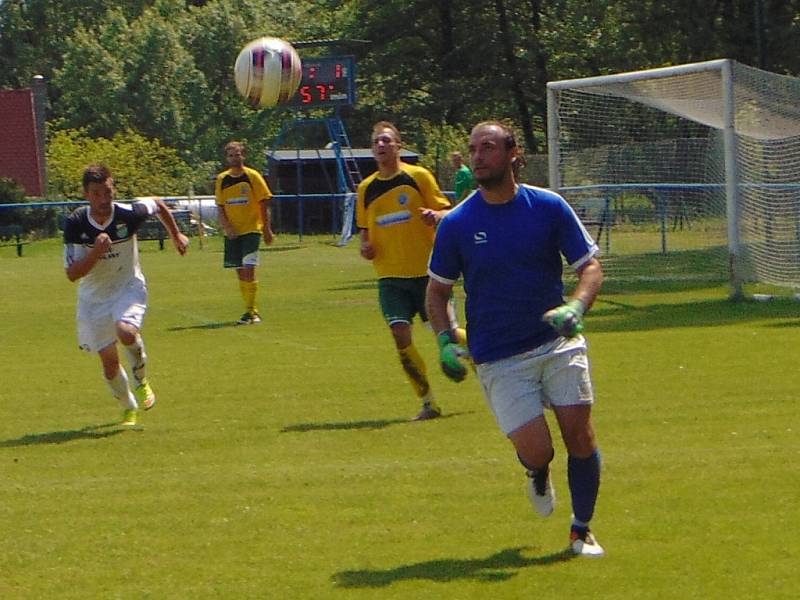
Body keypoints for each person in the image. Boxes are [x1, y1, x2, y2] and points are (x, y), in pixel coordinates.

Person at [426, 121, 606, 556]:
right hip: (499, 357)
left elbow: (590, 268)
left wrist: (575, 308)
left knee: (579, 436)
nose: (477, 156)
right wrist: (446, 341)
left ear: (513, 154)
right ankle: (537, 472)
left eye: (487, 147)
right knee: (538, 450)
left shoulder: (547, 206)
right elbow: (437, 292)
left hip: (557, 343)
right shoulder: (458, 222)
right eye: (473, 149)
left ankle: (581, 530)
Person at [64, 164, 190, 426]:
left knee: (126, 331)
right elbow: (73, 273)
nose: (103, 199)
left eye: (107, 192)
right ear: (87, 194)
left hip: (128, 287)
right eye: (96, 193)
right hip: (93, 299)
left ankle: (141, 379)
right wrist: (96, 252)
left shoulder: (129, 213)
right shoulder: (76, 222)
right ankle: (128, 406)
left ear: (114, 189)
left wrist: (175, 234)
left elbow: (157, 203)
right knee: (109, 364)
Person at [356, 121, 455, 421]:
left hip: (427, 274)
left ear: (399, 145)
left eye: (386, 140)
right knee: (400, 335)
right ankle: (428, 403)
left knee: (449, 337)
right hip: (390, 278)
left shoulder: (418, 177)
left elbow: (449, 212)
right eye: (376, 142)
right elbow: (364, 232)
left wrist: (436, 214)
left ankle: (493, 377)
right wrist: (366, 247)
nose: (381, 146)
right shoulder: (366, 188)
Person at [215, 140, 274, 325]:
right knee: (240, 271)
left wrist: (266, 228)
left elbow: (264, 202)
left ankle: (252, 312)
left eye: (237, 154)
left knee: (249, 268)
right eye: (231, 155)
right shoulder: (222, 179)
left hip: (251, 230)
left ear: (243, 155)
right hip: (233, 232)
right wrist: (227, 227)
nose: (235, 158)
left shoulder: (252, 176)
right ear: (227, 158)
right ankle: (248, 309)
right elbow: (220, 206)